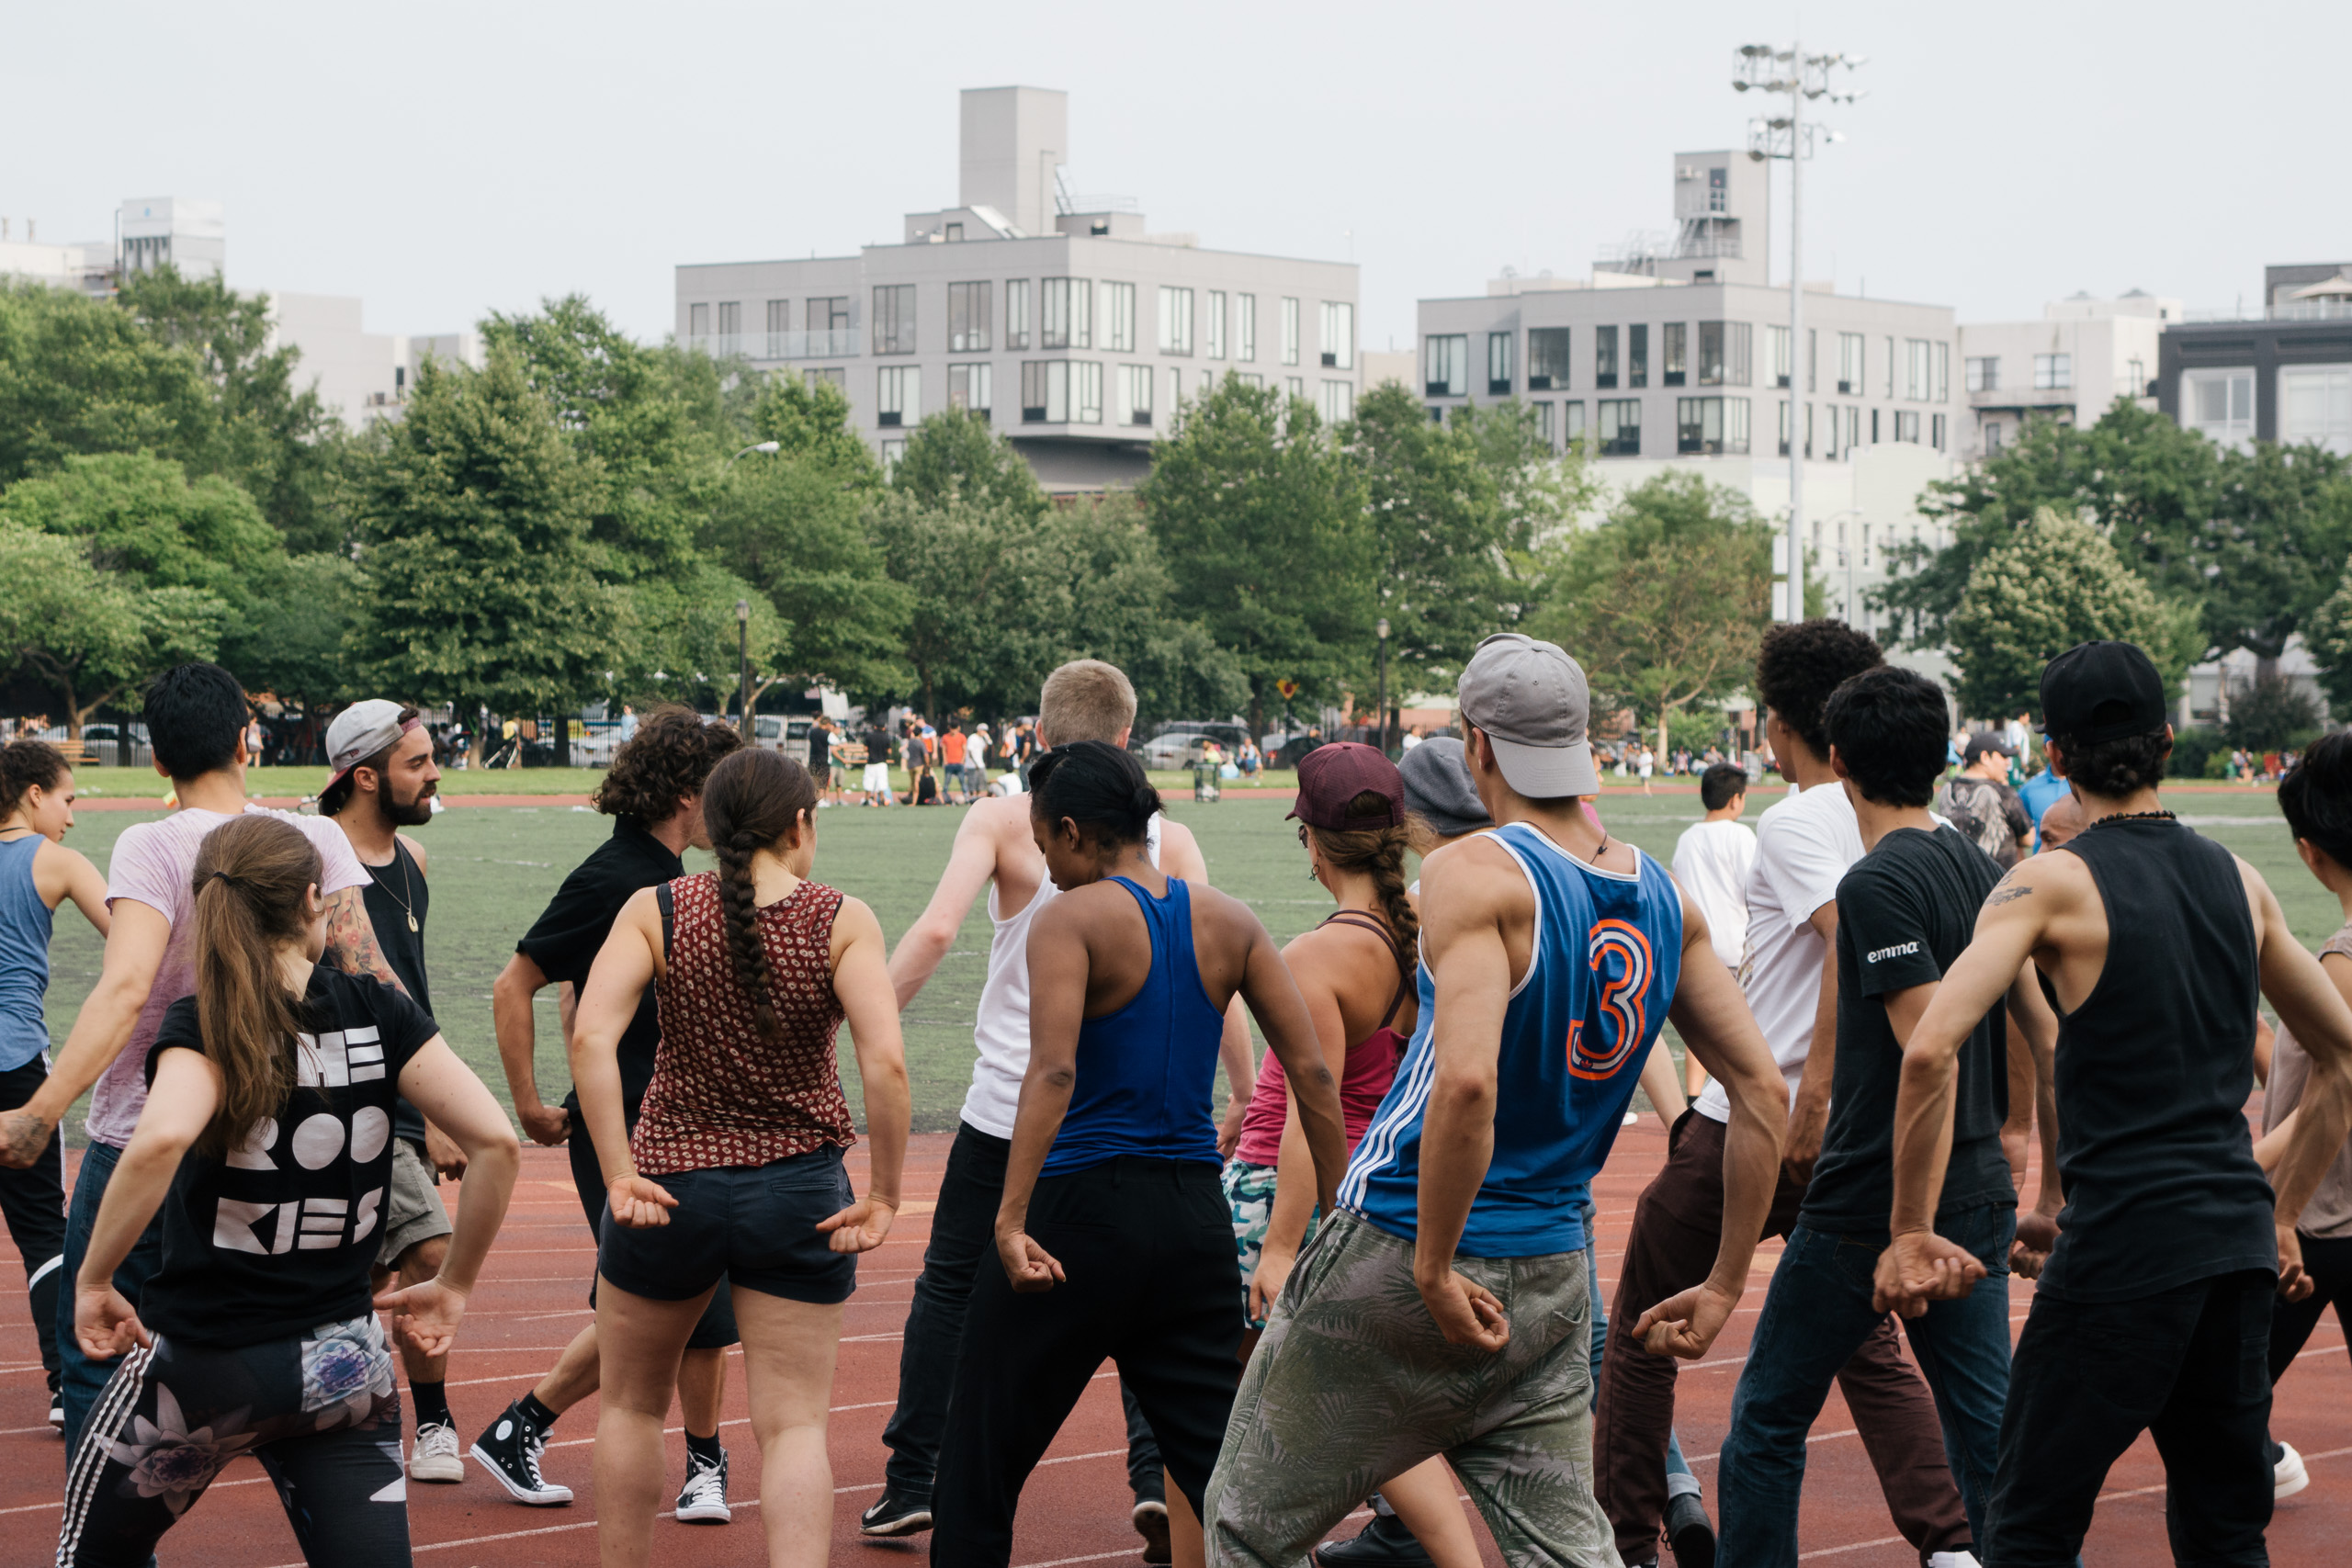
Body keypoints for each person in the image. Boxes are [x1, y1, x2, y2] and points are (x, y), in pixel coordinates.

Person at [1204, 632, 1791, 1564]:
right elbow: (1761, 1091)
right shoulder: (1660, 895)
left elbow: (1466, 1082)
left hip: (1398, 1246)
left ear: (1476, 746)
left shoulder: (1473, 873)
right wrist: (1723, 1283)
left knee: (1244, 1523)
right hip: (1555, 1270)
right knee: (1568, 1550)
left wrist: (1434, 1266)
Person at [1876, 640, 2352, 1565]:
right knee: (2224, 1528)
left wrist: (1904, 1230)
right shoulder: (2240, 880)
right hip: (2230, 1247)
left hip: (2128, 1249)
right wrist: (2280, 1208)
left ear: (2052, 757)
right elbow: (2341, 1055)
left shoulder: (2047, 881)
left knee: (2028, 1524)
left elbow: (1930, 1048)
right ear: (2168, 739)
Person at [1596, 623, 1976, 1568]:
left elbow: (1857, 948)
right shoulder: (1937, 834)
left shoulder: (1809, 817)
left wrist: (1804, 1110)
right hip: (1858, 1131)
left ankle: (1629, 1541)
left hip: (1760, 1120)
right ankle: (1953, 1541)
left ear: (1779, 722)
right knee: (1870, 1351)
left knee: (1647, 1327)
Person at [57, 813, 521, 1565]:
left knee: (88, 1555)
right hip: (347, 1368)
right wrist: (454, 1283)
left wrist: (95, 1279)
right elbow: (497, 1142)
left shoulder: (207, 1020)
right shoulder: (380, 1008)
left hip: (206, 1369)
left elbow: (162, 1137)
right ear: (315, 900)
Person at [871, 662, 1256, 1559]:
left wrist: (864, 1019)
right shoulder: (1174, 838)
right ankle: (1155, 1479)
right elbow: (1219, 970)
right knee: (1156, 1314)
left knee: (952, 1292)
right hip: (1140, 1124)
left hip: (1011, 1108)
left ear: (1039, 736)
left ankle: (909, 1481)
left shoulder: (1003, 819)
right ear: (1128, 739)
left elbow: (933, 931)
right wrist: (1237, 1088)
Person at [933, 741, 1348, 1568]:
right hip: (1192, 1222)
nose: (1044, 863)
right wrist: (1332, 1213)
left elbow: (1052, 1070)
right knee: (1225, 1478)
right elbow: (1311, 1073)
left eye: (1046, 841)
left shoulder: (1069, 919)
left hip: (1077, 1218)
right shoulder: (1229, 918)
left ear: (1077, 830)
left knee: (977, 1461)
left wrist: (1009, 1221)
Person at [0, 663, 390, 1461]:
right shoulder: (314, 836)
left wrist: (43, 1111)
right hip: (286, 1134)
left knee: (97, 1343)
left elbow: (126, 986)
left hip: (143, 1130)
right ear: (247, 739)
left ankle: (105, 1539)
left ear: (155, 760)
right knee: (304, 1337)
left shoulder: (149, 841)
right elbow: (368, 979)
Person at [1714, 666, 2058, 1563]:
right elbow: (2044, 1035)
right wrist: (2039, 1167)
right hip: (1980, 1188)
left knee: (1764, 1419)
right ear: (1941, 756)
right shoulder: (1984, 869)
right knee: (1986, 1436)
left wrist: (1905, 1223)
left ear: (1835, 761)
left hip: (1872, 1199)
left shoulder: (1875, 884)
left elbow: (1923, 1049)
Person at [573, 748, 909, 1566]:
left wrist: (619, 1171)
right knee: (794, 1424)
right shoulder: (840, 917)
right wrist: (886, 1193)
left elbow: (589, 1034)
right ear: (799, 824)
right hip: (799, 1192)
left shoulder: (656, 908)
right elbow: (886, 1064)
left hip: (668, 1186)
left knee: (628, 1408)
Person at [471, 706, 745, 1515]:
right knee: (666, 1301)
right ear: (689, 794)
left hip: (687, 1118)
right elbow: (515, 982)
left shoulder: (679, 874)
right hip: (625, 1124)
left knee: (686, 1299)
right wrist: (526, 1100)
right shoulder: (613, 876)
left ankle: (686, 1459)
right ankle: (687, 1460)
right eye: (722, 794)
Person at [1221, 745, 1470, 1568]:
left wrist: (1281, 1243)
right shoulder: (1428, 935)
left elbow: (1307, 1110)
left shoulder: (1319, 954)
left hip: (1285, 1194)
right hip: (1380, 1191)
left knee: (1241, 1405)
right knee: (1361, 1400)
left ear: (1314, 844)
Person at [320, 699, 473, 1484]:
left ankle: (325, 1401)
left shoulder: (411, 859)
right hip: (350, 1099)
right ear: (367, 776)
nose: (435, 771)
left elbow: (411, 991)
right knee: (431, 1250)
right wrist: (446, 1108)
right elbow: (365, 985)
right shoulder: (323, 859)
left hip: (403, 1089)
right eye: (418, 762)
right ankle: (436, 1426)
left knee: (363, 1277)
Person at [0, 741, 109, 1427]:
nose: (70, 817)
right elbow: (132, 936)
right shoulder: (57, 861)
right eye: (67, 799)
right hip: (16, 1068)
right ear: (34, 793)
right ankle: (67, 1387)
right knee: (45, 1235)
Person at [2256, 735, 2352, 1499]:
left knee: (2215, 1384)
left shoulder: (2342, 961)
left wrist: (2264, 1189)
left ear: (2310, 851)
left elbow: (2335, 1090)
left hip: (2320, 1220)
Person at [1672, 761, 1757, 1100]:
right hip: (1736, 947)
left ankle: (1694, 1099)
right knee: (1743, 1031)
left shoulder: (1687, 838)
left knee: (1699, 1030)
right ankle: (1734, 1098)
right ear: (1736, 800)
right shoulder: (1740, 836)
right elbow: (1754, 890)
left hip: (1697, 949)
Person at [1934, 733, 2033, 869]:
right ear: (1985, 757)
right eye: (2003, 756)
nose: (2008, 762)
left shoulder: (1947, 789)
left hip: (1957, 878)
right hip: (1998, 881)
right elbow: (2028, 839)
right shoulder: (2003, 792)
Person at [860, 717, 894, 806]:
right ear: (883, 727)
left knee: (868, 781)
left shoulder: (869, 736)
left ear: (875, 727)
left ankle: (867, 799)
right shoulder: (886, 737)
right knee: (882, 782)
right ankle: (882, 799)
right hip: (882, 763)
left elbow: (865, 748)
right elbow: (889, 751)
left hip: (871, 762)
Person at [808, 716, 835, 807]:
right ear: (827, 724)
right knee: (823, 780)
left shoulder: (812, 732)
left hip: (813, 758)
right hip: (823, 759)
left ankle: (814, 799)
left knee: (814, 779)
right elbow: (835, 742)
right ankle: (821, 800)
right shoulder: (827, 734)